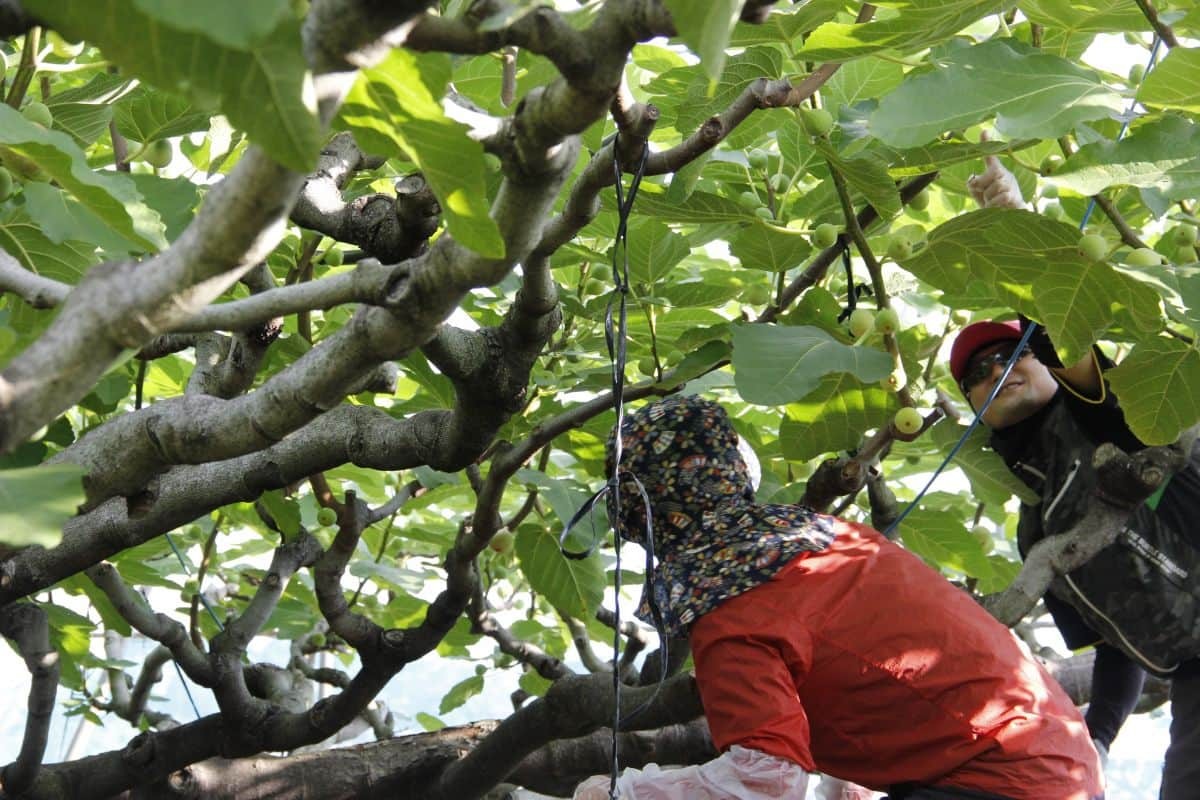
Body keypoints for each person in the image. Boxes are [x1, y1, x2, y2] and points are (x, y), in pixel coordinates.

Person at [573, 394, 1102, 800]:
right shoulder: (827, 538)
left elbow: (766, 782)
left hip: (1003, 781)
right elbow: (862, 683)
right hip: (1058, 758)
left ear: (641, 521)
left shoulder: (733, 610)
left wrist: (623, 792)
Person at [952, 153, 1200, 799]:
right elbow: (1116, 636)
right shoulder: (1037, 525)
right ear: (973, 408)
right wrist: (1101, 736)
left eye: (1012, 354)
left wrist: (1012, 220)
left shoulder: (1091, 414)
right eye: (977, 374)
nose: (998, 372)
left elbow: (1068, 334)